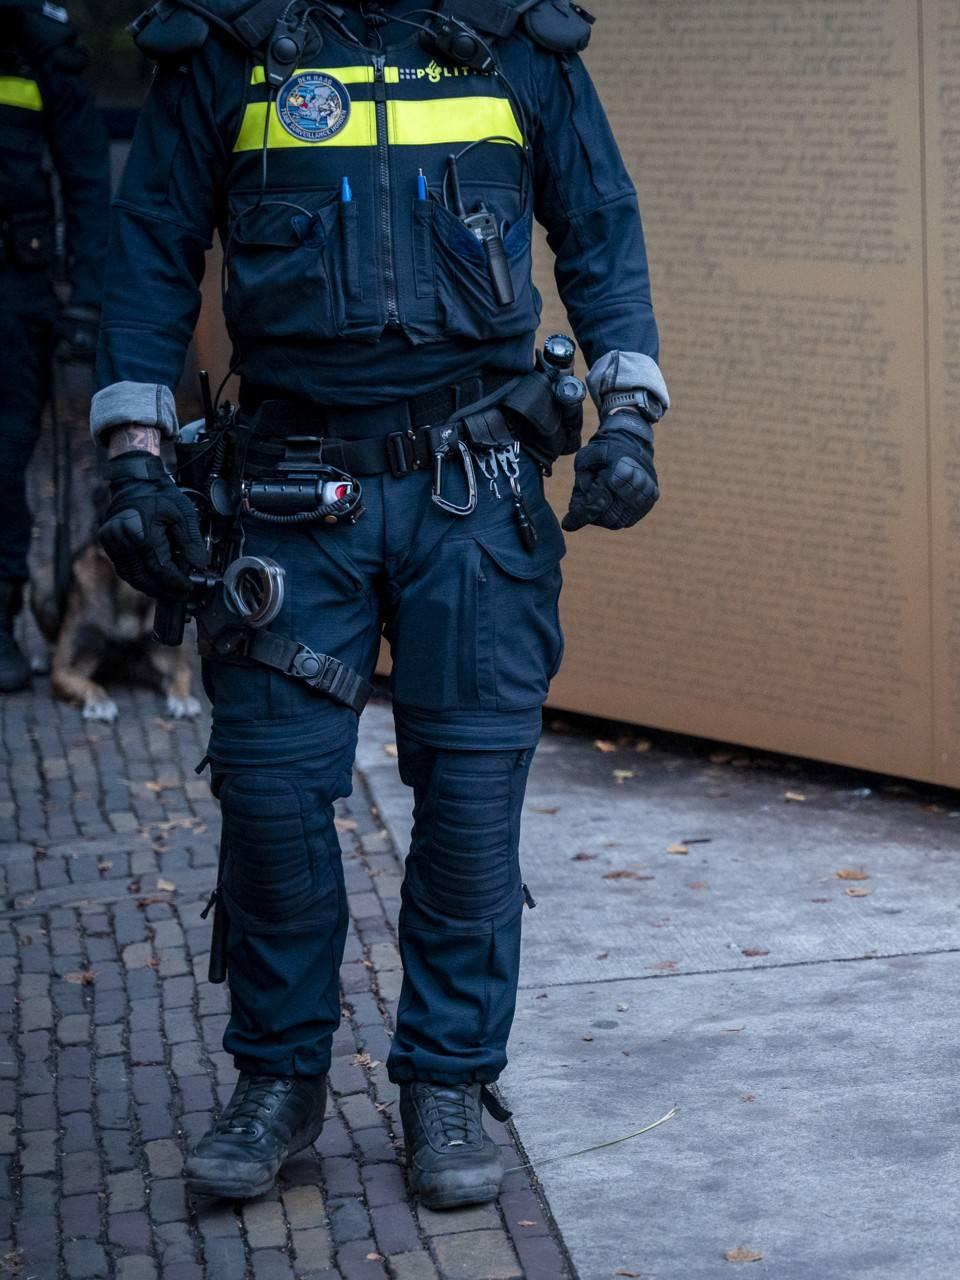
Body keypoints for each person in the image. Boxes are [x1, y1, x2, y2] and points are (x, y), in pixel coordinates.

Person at [93, 0, 668, 1206]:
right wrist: (135, 453)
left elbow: (600, 225)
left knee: (470, 807)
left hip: (478, 494)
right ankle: (279, 1078)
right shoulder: (227, 46)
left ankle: (447, 1082)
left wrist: (629, 414)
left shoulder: (517, 42)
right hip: (287, 493)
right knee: (269, 800)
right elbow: (149, 245)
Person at [0, 0, 109, 693]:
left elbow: (88, 179)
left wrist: (87, 299)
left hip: (14, 290)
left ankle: (0, 617)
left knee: (3, 461)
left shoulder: (36, 43)